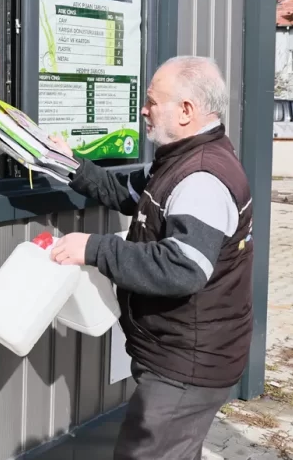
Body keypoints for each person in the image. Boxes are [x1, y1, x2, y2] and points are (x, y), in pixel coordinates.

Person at [48, 56, 253, 460]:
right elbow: (127, 194)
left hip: (188, 365)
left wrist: (93, 248)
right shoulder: (177, 160)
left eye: (152, 101)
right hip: (177, 353)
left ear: (186, 110)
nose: (144, 109)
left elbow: (182, 269)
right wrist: (71, 165)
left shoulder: (202, 178)